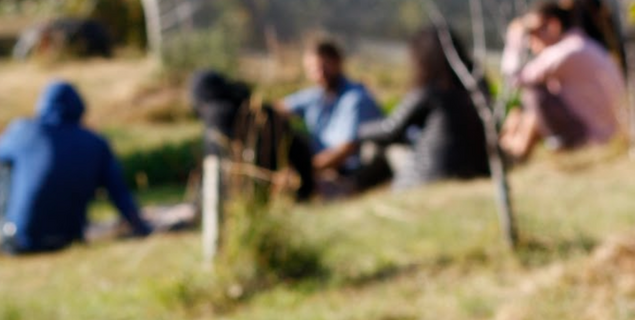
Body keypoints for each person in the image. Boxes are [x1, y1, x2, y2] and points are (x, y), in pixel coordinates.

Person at [0, 80, 149, 261]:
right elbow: (118, 192)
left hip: (19, 240)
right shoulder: (95, 142)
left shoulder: (24, 130)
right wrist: (140, 226)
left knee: (1, 170)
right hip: (69, 237)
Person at [327, 26, 490, 192]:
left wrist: (357, 132)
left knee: (380, 148)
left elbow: (390, 129)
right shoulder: (476, 86)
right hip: (477, 170)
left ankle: (346, 188)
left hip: (428, 177)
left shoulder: (429, 91)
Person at [499, 0, 627, 162]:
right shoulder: (581, 45)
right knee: (523, 107)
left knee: (534, 93)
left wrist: (514, 39)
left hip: (594, 135)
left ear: (553, 26)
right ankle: (511, 149)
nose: (530, 41)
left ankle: (514, 151)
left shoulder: (565, 52)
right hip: (606, 130)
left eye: (532, 32)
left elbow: (513, 79)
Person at [278, 37, 389, 194]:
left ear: (338, 62)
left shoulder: (356, 99)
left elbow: (345, 150)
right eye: (311, 69)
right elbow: (277, 109)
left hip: (350, 172)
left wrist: (305, 171)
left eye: (323, 67)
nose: (319, 74)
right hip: (321, 167)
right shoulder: (317, 95)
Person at [189, 69, 315, 202]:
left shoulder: (217, 114)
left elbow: (216, 159)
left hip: (248, 183)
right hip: (267, 174)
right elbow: (296, 144)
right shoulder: (248, 103)